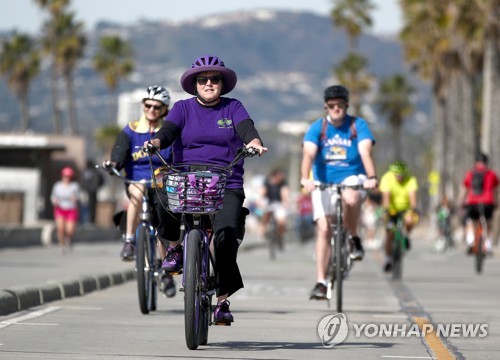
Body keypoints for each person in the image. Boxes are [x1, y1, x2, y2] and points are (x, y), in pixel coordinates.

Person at [147, 54, 268, 324]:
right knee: (162, 198)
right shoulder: (182, 108)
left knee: (224, 238)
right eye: (203, 79)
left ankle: (222, 302)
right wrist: (155, 141)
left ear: (222, 83)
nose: (209, 83)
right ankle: (175, 248)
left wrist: (255, 143)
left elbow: (248, 129)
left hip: (226, 182)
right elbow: (167, 132)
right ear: (195, 84)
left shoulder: (233, 107)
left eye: (215, 79)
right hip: (186, 179)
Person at [300, 85, 378, 300]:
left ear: (346, 105)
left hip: (352, 175)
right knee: (324, 229)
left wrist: (371, 177)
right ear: (326, 106)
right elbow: (308, 153)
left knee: (351, 196)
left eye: (340, 105)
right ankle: (321, 282)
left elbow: (365, 151)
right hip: (323, 180)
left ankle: (353, 237)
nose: (336, 109)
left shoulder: (357, 125)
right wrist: (305, 178)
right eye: (332, 105)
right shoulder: (318, 127)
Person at [104, 85, 176, 298]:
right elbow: (119, 152)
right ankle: (128, 241)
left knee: (162, 228)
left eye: (157, 106)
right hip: (136, 179)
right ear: (143, 106)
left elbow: (179, 156)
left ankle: (166, 272)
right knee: (136, 194)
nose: (151, 110)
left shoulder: (169, 131)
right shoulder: (131, 129)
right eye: (148, 105)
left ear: (164, 109)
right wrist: (113, 163)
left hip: (162, 182)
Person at [379, 160, 419, 272]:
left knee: (410, 220)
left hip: (405, 209)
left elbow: (413, 196)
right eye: (397, 175)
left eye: (401, 175)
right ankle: (388, 258)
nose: (399, 177)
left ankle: (406, 234)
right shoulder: (387, 178)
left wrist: (413, 209)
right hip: (391, 210)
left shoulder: (411, 179)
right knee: (390, 232)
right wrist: (386, 210)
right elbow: (386, 196)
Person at [459, 152, 499, 255]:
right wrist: (496, 202)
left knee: (471, 221)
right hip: (488, 202)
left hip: (473, 201)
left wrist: (461, 202)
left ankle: (471, 241)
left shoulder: (470, 173)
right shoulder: (491, 174)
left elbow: (465, 189)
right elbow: (495, 190)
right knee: (488, 222)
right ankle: (488, 245)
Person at [50, 166, 81, 254]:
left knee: (69, 230)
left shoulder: (74, 186)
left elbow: (79, 196)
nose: (67, 178)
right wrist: (54, 201)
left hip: (71, 209)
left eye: (69, 177)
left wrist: (75, 198)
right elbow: (53, 196)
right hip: (60, 208)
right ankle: (62, 245)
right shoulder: (57, 185)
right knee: (60, 228)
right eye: (65, 176)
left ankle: (68, 239)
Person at [258, 168, 290, 247]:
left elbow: (284, 193)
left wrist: (286, 202)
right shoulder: (267, 182)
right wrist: (260, 200)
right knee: (265, 217)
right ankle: (262, 234)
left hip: (279, 203)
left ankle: (280, 236)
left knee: (282, 221)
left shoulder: (283, 183)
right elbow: (262, 192)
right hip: (268, 202)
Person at [81, 159, 104, 225]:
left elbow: (100, 181)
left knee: (92, 206)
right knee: (87, 206)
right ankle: (87, 220)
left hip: (93, 191)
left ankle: (91, 220)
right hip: (88, 191)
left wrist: (96, 187)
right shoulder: (87, 172)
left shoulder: (93, 172)